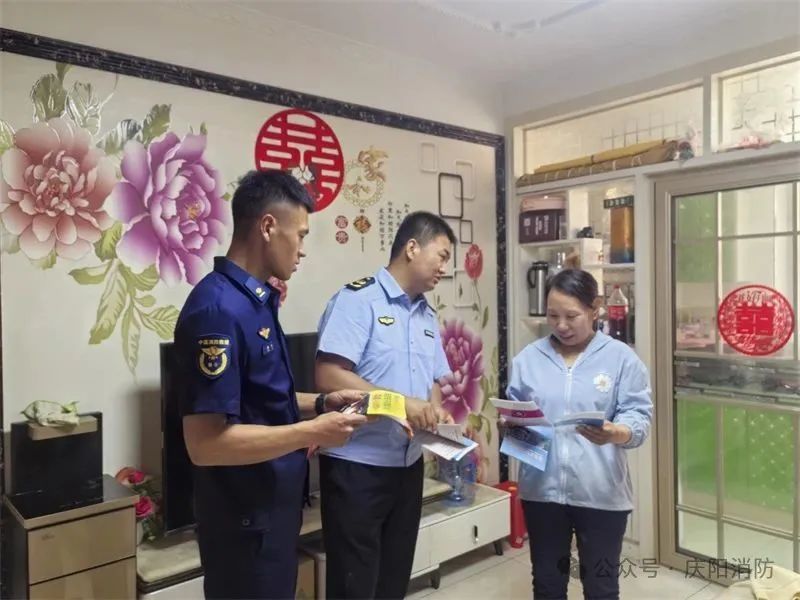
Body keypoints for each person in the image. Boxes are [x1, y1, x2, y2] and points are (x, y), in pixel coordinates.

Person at [175, 170, 367, 599]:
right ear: (267, 226)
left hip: (272, 511)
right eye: (300, 235)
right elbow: (205, 444)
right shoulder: (217, 311)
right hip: (244, 524)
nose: (303, 250)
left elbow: (259, 400)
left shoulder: (256, 300)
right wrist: (313, 431)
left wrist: (323, 403)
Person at [314, 211, 457, 599]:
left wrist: (437, 414)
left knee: (393, 581)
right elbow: (328, 375)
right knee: (354, 585)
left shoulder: (426, 315)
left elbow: (432, 385)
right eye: (442, 256)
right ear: (412, 248)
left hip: (407, 466)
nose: (445, 268)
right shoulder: (358, 300)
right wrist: (400, 404)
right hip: (356, 467)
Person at [505, 269, 652, 600]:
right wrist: (512, 429)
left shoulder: (621, 359)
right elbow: (518, 424)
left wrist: (616, 432)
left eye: (571, 316)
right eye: (552, 315)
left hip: (601, 493)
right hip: (542, 493)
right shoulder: (528, 359)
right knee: (547, 585)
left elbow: (639, 418)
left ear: (594, 309)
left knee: (601, 588)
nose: (561, 325)